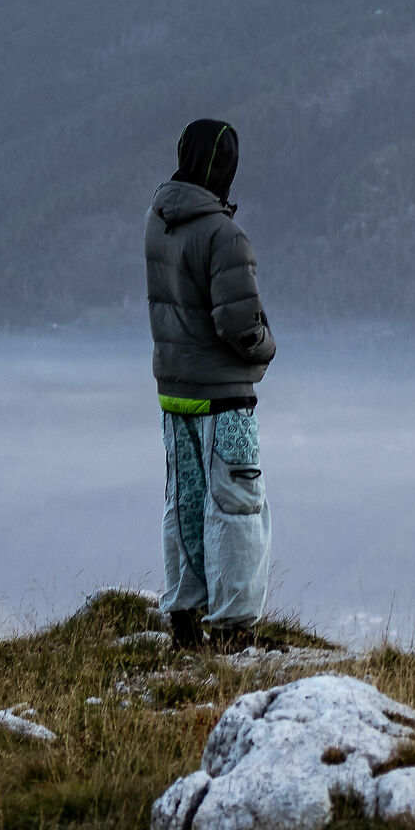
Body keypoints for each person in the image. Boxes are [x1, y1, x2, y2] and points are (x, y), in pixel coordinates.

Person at [145, 119, 277, 650]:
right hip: (225, 396)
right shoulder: (224, 234)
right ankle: (233, 630)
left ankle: (184, 618)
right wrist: (267, 348)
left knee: (186, 501)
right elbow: (239, 325)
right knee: (237, 504)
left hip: (174, 390)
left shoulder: (158, 221)